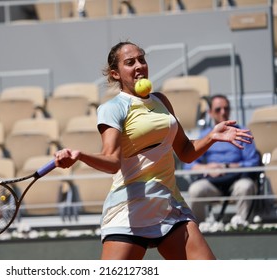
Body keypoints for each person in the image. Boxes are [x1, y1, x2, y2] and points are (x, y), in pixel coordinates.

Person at [53, 41, 254, 260]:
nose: (139, 65)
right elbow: (112, 162)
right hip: (129, 211)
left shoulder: (161, 101)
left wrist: (211, 137)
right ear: (116, 73)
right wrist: (79, 155)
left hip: (169, 207)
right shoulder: (113, 108)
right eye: (130, 62)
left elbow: (185, 151)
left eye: (142, 59)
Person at [184, 94, 260, 224]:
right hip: (213, 182)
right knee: (195, 189)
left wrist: (227, 167)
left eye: (226, 108)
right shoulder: (205, 135)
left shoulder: (242, 132)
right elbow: (189, 164)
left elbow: (253, 162)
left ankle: (243, 227)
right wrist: (207, 167)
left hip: (237, 179)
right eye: (218, 109)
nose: (223, 112)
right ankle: (198, 230)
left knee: (246, 186)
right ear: (210, 113)